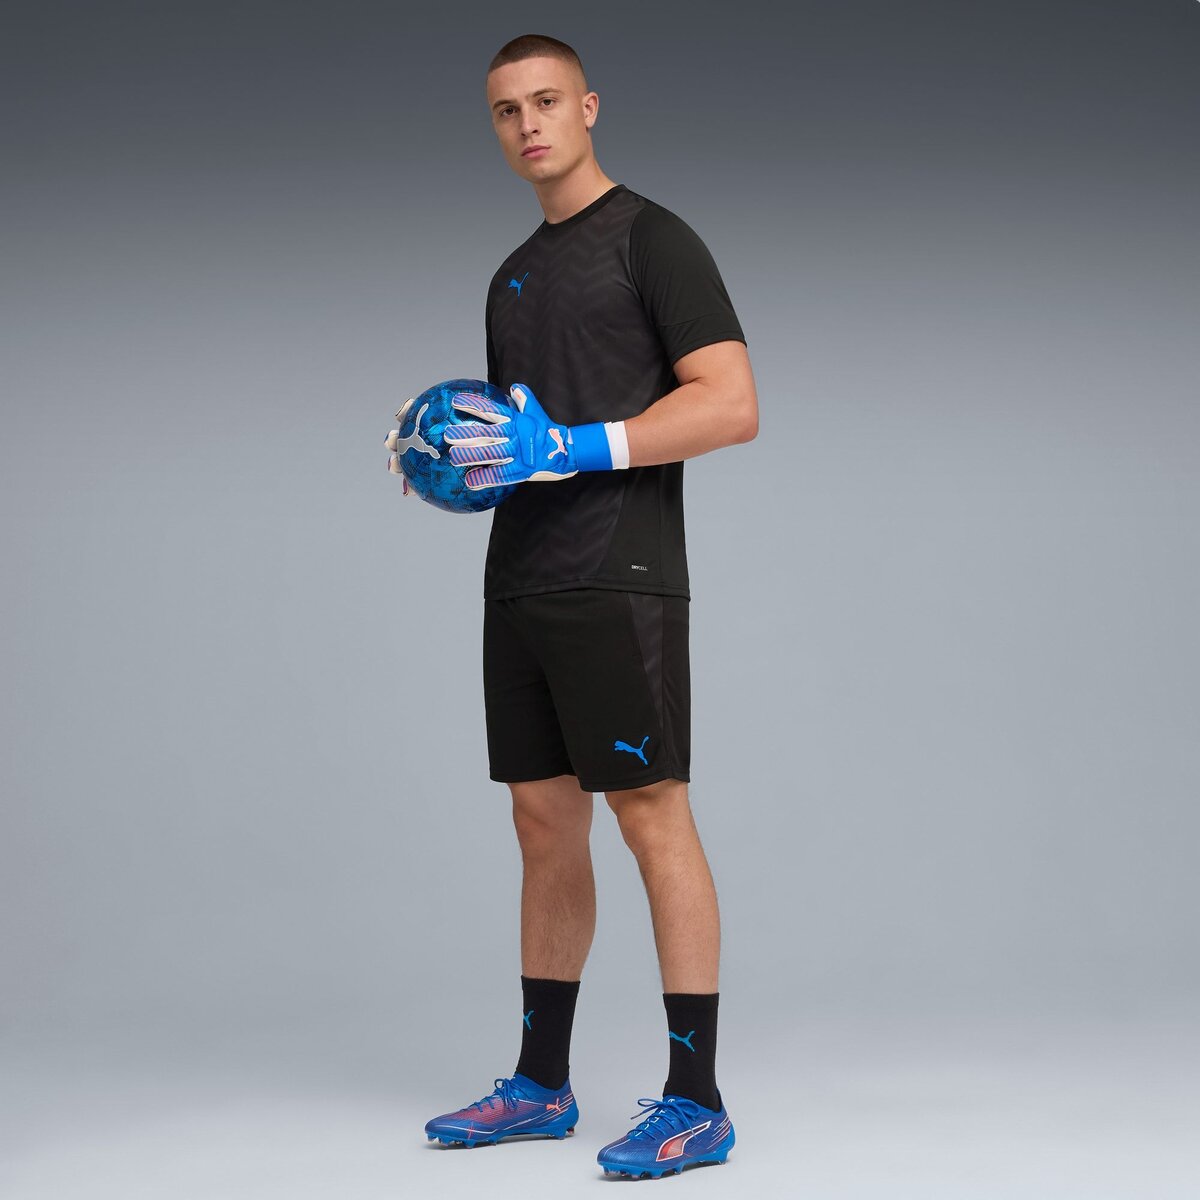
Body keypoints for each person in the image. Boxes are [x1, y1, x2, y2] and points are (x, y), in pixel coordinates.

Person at [401, 33, 757, 1180]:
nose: (529, 126)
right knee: (541, 822)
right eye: (507, 111)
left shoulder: (655, 238)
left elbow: (731, 403)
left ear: (589, 106)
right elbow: (516, 439)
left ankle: (696, 1100)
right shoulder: (511, 274)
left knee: (651, 812)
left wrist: (578, 445)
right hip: (520, 576)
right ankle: (540, 1084)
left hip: (620, 573)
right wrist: (446, 459)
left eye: (546, 102)